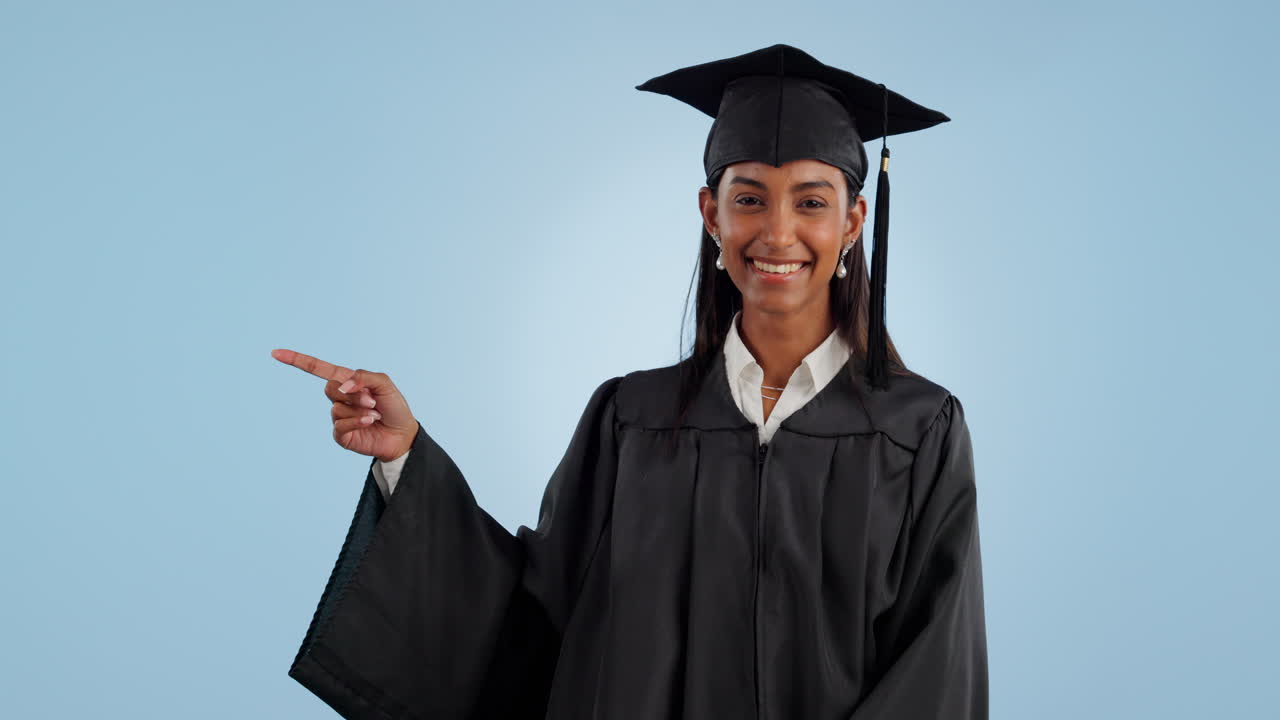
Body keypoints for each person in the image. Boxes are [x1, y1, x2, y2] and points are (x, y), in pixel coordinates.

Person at [274, 43, 987, 720]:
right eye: (748, 199)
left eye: (810, 202)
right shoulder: (630, 419)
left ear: (853, 222)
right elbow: (533, 611)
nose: (776, 232)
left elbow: (936, 665)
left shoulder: (917, 429)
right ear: (710, 215)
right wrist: (405, 457)